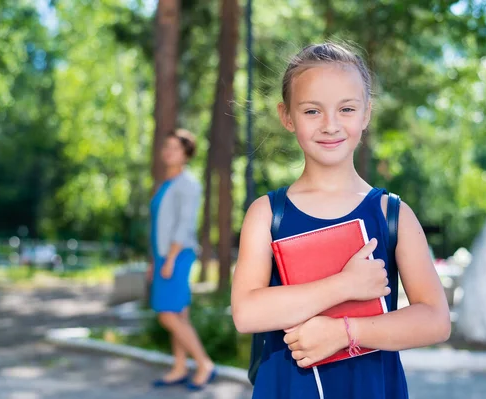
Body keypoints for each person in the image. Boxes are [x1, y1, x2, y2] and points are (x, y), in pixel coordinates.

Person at [231, 42, 451, 398]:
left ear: (366, 114)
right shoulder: (268, 213)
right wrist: (344, 285)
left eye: (346, 109)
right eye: (312, 111)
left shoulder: (392, 215)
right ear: (287, 116)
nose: (330, 125)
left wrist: (345, 333)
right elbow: (246, 313)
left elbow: (436, 321)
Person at [148, 129, 216, 390]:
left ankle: (204, 363)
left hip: (177, 255)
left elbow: (184, 225)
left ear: (186, 154)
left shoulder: (188, 183)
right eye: (166, 146)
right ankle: (179, 367)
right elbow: (160, 227)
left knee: (167, 315)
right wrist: (155, 261)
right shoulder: (168, 183)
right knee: (178, 315)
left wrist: (170, 259)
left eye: (175, 148)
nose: (168, 151)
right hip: (164, 256)